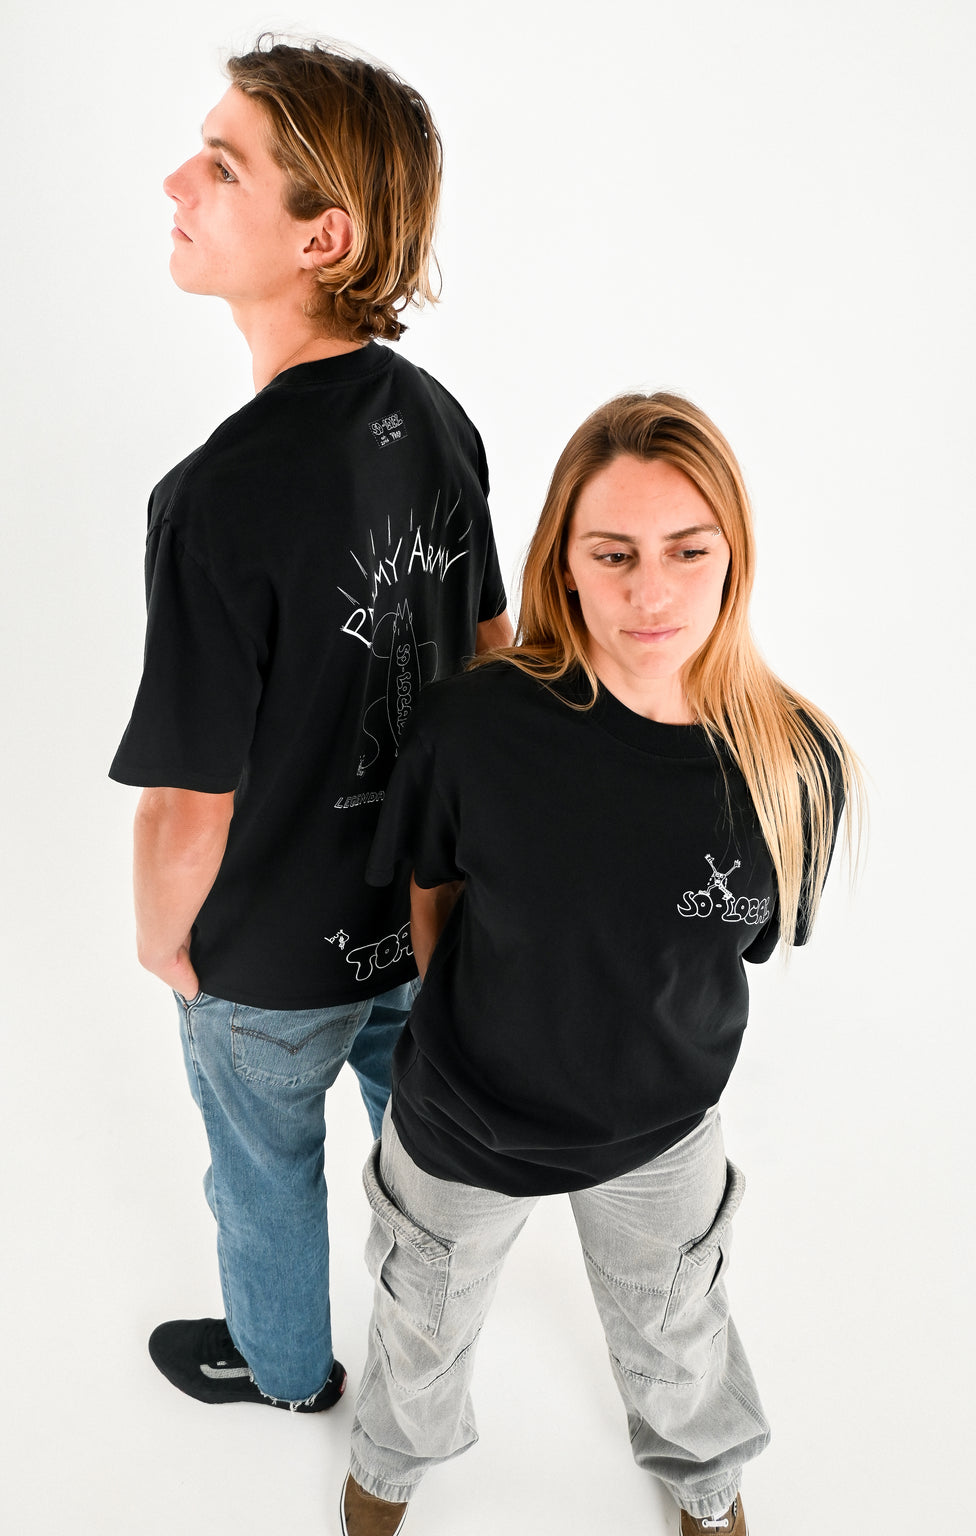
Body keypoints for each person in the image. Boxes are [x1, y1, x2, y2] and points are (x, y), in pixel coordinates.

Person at [339, 392, 862, 1535]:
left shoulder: (795, 768)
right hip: (460, 1118)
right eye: (611, 553)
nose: (649, 590)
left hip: (661, 1132)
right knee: (420, 1317)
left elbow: (731, 949)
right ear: (563, 564)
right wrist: (480, 1027)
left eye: (687, 551)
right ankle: (385, 1464)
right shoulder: (470, 728)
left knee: (677, 1334)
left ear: (735, 557)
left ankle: (706, 1482)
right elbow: (431, 897)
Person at [108, 39, 511, 1416]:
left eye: (222, 164)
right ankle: (435, 1369)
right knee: (428, 1151)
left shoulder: (213, 500)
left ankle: (285, 1372)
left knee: (260, 1168)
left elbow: (189, 798)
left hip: (267, 957)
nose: (177, 179)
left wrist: (167, 937)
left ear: (322, 235)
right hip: (422, 916)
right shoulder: (437, 420)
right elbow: (498, 656)